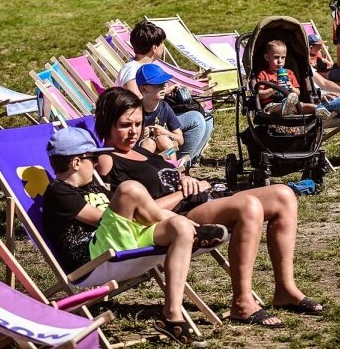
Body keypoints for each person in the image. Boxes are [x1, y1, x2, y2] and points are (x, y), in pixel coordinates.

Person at [94, 87, 323, 328]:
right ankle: (242, 302)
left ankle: (285, 289)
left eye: (138, 124)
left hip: (201, 196)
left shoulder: (140, 150)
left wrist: (185, 178)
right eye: (124, 125)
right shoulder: (107, 160)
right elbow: (131, 210)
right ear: (107, 123)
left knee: (284, 195)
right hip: (175, 217)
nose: (133, 132)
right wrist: (182, 192)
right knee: (248, 206)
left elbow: (167, 175)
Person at [42, 126, 225, 347]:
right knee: (129, 189)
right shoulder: (58, 192)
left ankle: (172, 315)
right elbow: (102, 219)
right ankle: (191, 227)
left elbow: (121, 219)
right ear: (76, 163)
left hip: (118, 240)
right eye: (94, 158)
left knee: (178, 227)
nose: (99, 163)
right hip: (92, 257)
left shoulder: (92, 186)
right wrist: (131, 209)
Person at [116, 21, 213, 165]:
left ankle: (188, 160)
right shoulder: (132, 70)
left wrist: (168, 91)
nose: (163, 47)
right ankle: (181, 163)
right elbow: (135, 101)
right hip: (146, 124)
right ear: (154, 48)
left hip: (157, 116)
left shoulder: (147, 66)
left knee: (207, 118)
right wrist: (164, 92)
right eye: (162, 44)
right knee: (196, 119)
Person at [257, 40, 330, 122]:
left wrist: (291, 87)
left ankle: (318, 109)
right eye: (276, 57)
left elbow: (298, 93)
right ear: (267, 57)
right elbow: (260, 94)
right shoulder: (264, 74)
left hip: (292, 102)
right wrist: (274, 88)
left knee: (303, 105)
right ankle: (285, 108)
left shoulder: (289, 73)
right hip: (272, 105)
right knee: (276, 107)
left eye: (283, 57)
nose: (280, 61)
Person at [135, 64, 184, 161]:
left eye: (165, 83)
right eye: (158, 84)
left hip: (166, 153)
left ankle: (173, 170)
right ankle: (143, 173)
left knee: (163, 140)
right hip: (143, 153)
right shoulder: (135, 111)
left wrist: (165, 132)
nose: (164, 87)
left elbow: (180, 140)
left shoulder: (165, 108)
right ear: (143, 89)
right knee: (148, 143)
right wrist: (140, 136)